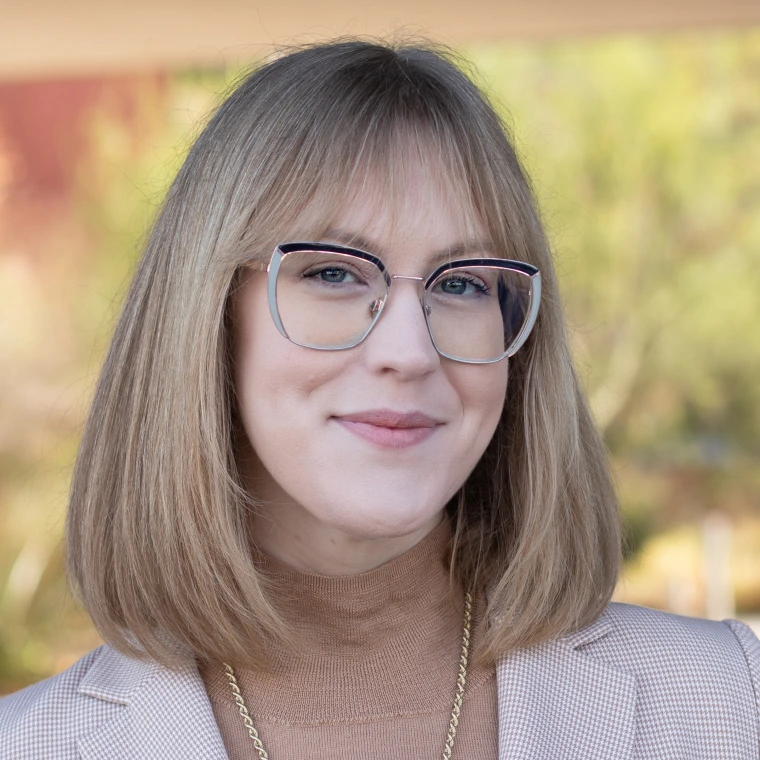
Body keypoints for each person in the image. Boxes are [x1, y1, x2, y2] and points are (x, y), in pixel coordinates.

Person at [1, 38, 758, 760]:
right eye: (334, 272)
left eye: (460, 283)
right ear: (206, 318)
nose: (408, 352)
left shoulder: (726, 704)